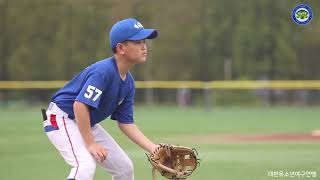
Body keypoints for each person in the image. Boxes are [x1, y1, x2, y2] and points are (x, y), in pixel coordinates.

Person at [42, 18, 159, 180]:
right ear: (121, 48)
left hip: (83, 121)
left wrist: (154, 149)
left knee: (124, 169)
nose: (144, 46)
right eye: (138, 42)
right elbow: (79, 106)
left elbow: (126, 123)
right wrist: (90, 143)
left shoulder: (129, 83)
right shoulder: (103, 72)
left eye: (144, 41)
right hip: (60, 118)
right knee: (85, 164)